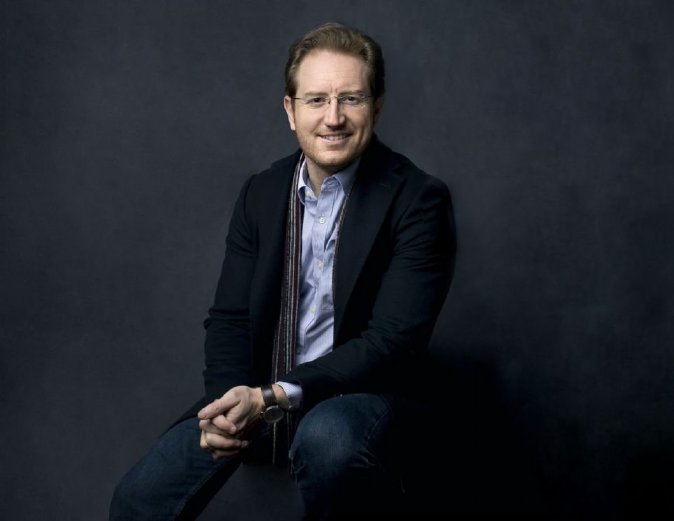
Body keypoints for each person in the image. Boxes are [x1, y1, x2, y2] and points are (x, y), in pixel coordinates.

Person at [110, 21, 456, 521]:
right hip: (258, 391)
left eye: (351, 99)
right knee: (138, 498)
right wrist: (226, 403)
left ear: (377, 107)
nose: (333, 118)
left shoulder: (418, 199)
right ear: (291, 111)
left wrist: (274, 395)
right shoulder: (262, 192)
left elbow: (392, 342)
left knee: (326, 437)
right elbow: (230, 317)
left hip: (365, 393)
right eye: (316, 100)